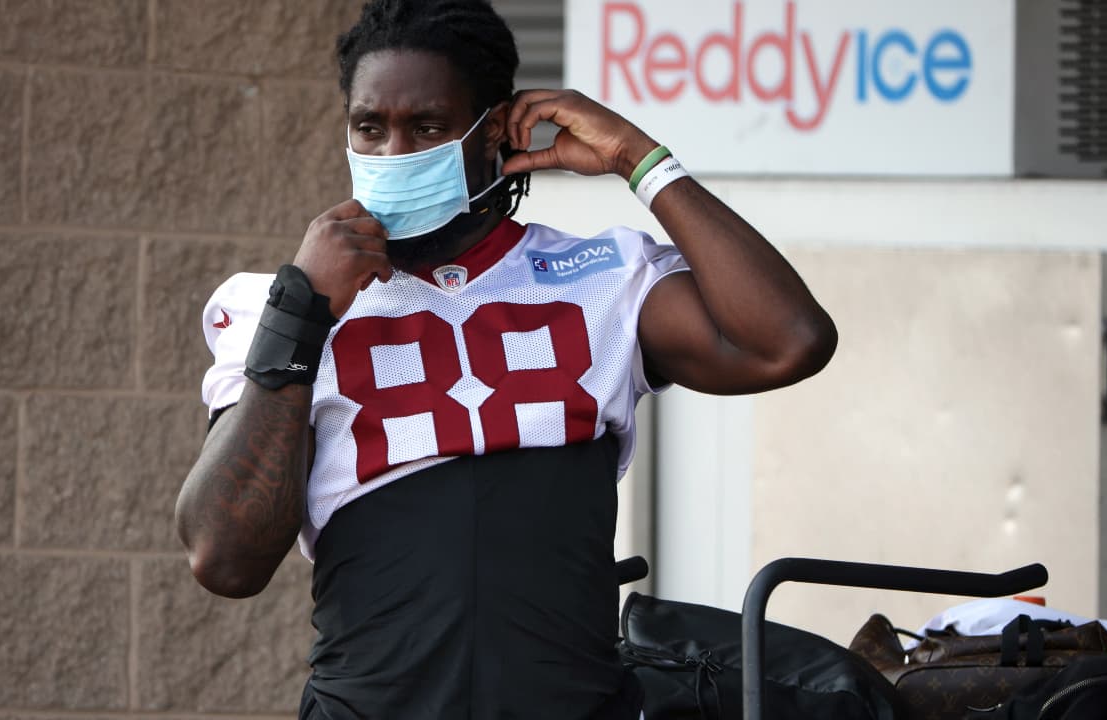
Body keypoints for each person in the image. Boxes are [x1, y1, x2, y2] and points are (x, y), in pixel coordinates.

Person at [175, 0, 836, 718]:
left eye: (427, 127)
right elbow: (223, 559)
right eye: (370, 127)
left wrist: (636, 158)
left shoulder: (603, 276)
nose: (393, 154)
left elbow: (788, 341)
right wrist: (301, 315)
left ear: (491, 129)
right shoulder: (281, 308)